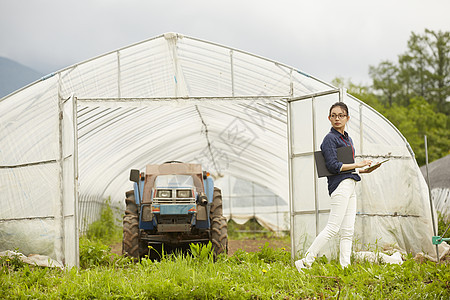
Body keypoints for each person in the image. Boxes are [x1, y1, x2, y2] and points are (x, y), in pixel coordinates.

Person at [295, 102, 379, 271]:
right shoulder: (330, 139)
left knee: (348, 230)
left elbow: (346, 168)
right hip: (340, 186)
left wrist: (363, 169)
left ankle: (345, 267)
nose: (337, 118)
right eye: (333, 115)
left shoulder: (347, 138)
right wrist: (357, 164)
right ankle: (305, 262)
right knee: (333, 227)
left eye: (341, 115)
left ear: (347, 118)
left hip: (350, 183)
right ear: (329, 118)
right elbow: (334, 166)